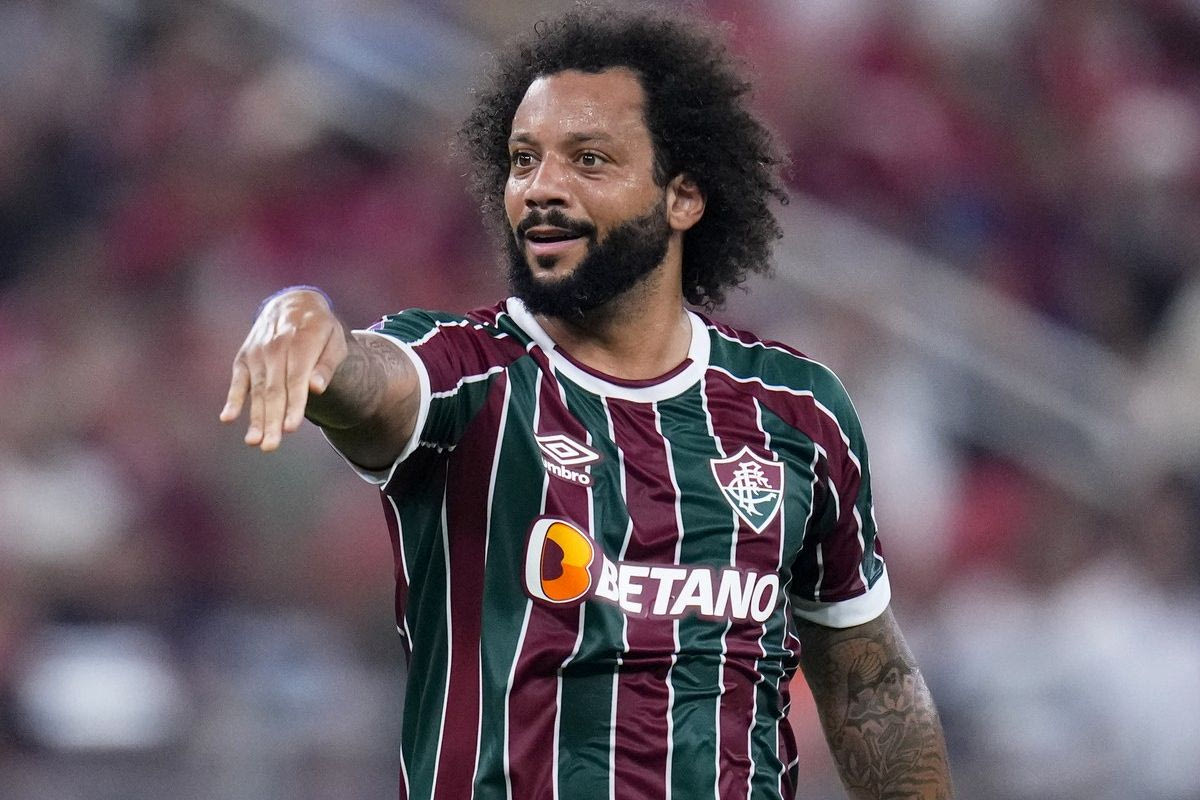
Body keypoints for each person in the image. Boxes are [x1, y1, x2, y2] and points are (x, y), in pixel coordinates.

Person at [220, 6, 953, 799]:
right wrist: (305, 321)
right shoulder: (473, 375)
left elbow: (872, 688)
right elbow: (374, 381)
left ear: (683, 196)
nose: (541, 188)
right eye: (523, 160)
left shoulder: (796, 412)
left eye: (589, 160)